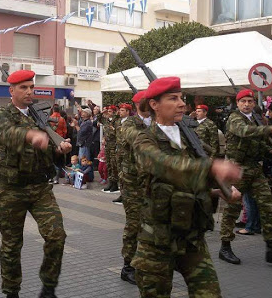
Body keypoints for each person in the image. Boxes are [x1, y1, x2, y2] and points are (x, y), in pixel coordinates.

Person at [131, 77, 242, 297]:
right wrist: (211, 168)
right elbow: (166, 166)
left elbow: (190, 179)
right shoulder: (144, 139)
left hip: (192, 237)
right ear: (154, 104)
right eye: (173, 98)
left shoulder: (190, 138)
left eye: (181, 97)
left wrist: (216, 190)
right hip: (157, 240)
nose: (182, 103)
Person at [0, 69, 71, 298]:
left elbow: (50, 148)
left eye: (31, 87)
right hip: (11, 190)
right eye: (23, 87)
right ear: (12, 90)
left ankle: (48, 287)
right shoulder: (1, 114)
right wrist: (30, 136)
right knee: (11, 245)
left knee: (57, 236)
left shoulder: (40, 116)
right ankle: (11, 292)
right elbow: (5, 132)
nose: (29, 91)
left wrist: (60, 148)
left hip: (40, 188)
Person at [218, 89, 272, 266]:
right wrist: (269, 128)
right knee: (233, 208)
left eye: (250, 101)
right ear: (238, 103)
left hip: (254, 167)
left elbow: (258, 142)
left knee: (267, 205)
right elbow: (244, 132)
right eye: (243, 101)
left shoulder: (256, 119)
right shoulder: (235, 119)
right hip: (237, 168)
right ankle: (225, 247)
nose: (247, 104)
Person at [117, 91, 152, 285]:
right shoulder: (130, 124)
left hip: (151, 182)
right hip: (132, 182)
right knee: (134, 223)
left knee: (150, 222)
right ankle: (127, 265)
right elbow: (137, 141)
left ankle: (145, 261)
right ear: (138, 104)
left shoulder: (156, 123)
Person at [102, 105, 119, 193]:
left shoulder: (117, 121)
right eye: (107, 111)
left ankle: (115, 183)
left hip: (114, 144)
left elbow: (117, 132)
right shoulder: (106, 121)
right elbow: (99, 119)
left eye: (110, 111)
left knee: (113, 164)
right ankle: (110, 182)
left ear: (114, 112)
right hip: (107, 144)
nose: (108, 113)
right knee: (108, 163)